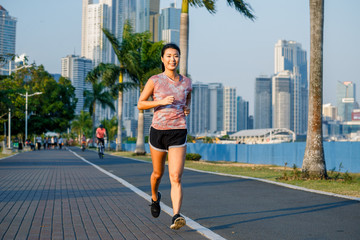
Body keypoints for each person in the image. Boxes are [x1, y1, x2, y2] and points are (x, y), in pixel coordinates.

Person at [137, 43, 192, 230]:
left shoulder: (186, 82)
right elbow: (141, 104)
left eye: (175, 56)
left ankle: (176, 215)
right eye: (168, 56)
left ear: (179, 58)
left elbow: (188, 97)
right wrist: (160, 101)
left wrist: (186, 108)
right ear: (162, 59)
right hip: (158, 131)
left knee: (175, 176)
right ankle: (154, 197)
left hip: (178, 131)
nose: (172, 59)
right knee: (158, 174)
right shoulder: (155, 80)